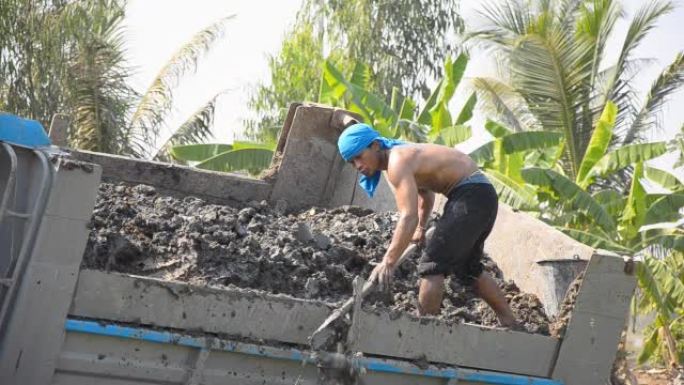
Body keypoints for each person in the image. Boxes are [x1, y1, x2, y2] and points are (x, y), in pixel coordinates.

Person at [337, 122, 519, 328]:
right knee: (468, 268)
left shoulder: (397, 161)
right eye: (352, 162)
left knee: (432, 264)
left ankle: (422, 331)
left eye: (359, 156)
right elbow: (426, 195)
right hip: (481, 195)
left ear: (376, 145)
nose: (358, 166)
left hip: (470, 195)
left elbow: (408, 216)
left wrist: (388, 261)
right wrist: (420, 228)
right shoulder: (399, 159)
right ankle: (510, 322)